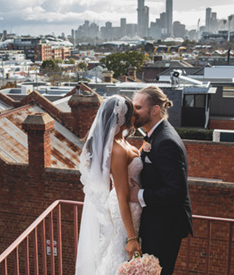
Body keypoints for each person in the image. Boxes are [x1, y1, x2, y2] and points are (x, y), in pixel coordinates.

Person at [75, 95, 143, 275]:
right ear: (124, 118)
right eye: (133, 114)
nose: (136, 117)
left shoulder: (122, 141)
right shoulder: (117, 150)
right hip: (125, 207)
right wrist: (132, 237)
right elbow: (122, 194)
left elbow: (133, 163)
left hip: (132, 205)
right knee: (121, 254)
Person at [130, 86, 193, 275]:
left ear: (155, 110)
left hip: (165, 227)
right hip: (157, 222)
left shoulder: (166, 141)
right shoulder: (154, 135)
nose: (134, 113)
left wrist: (139, 194)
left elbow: (177, 192)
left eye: (138, 108)